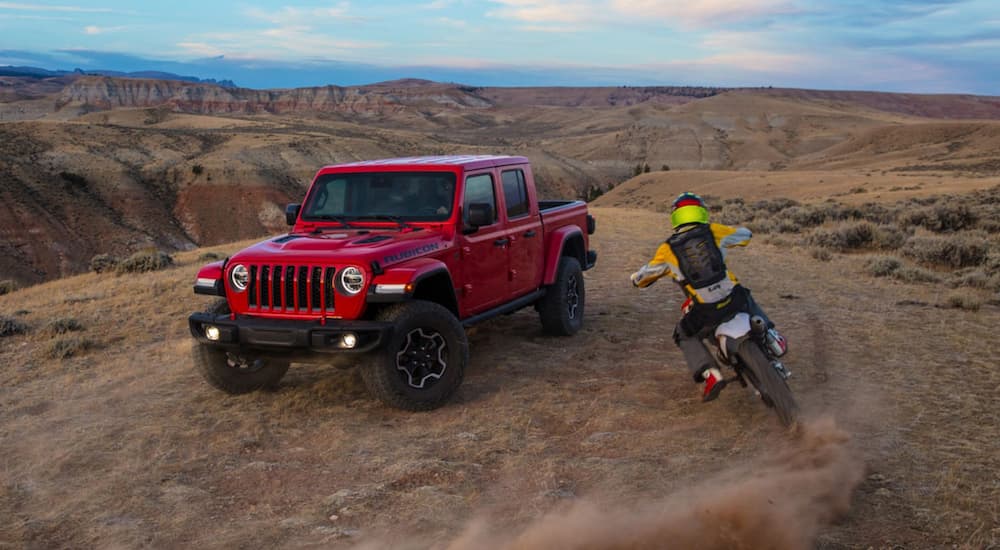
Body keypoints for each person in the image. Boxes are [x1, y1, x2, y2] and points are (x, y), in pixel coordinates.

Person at [630, 192, 786, 402]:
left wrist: (636, 278)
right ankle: (771, 335)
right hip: (733, 298)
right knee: (744, 296)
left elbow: (643, 277)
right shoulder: (713, 231)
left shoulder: (667, 249)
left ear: (676, 217)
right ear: (701, 212)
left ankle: (710, 373)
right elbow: (745, 236)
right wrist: (743, 233)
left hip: (705, 310)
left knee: (683, 334)